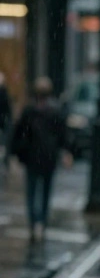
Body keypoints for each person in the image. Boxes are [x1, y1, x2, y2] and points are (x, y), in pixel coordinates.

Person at [7, 76, 73, 243]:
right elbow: (63, 135)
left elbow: (19, 133)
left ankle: (35, 221)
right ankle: (40, 221)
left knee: (32, 191)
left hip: (34, 157)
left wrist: (15, 153)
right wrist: (65, 151)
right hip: (47, 157)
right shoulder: (53, 111)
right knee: (44, 191)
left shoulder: (30, 111)